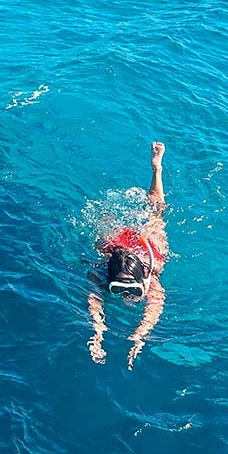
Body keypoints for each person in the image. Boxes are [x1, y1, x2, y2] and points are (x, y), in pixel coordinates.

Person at [87, 141, 168, 369]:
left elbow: (153, 310)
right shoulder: (99, 274)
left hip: (145, 248)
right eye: (120, 289)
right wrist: (98, 331)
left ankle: (157, 168)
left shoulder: (152, 278)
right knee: (106, 231)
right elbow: (94, 300)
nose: (127, 296)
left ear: (142, 279)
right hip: (118, 250)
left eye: (131, 290)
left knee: (157, 215)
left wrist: (139, 337)